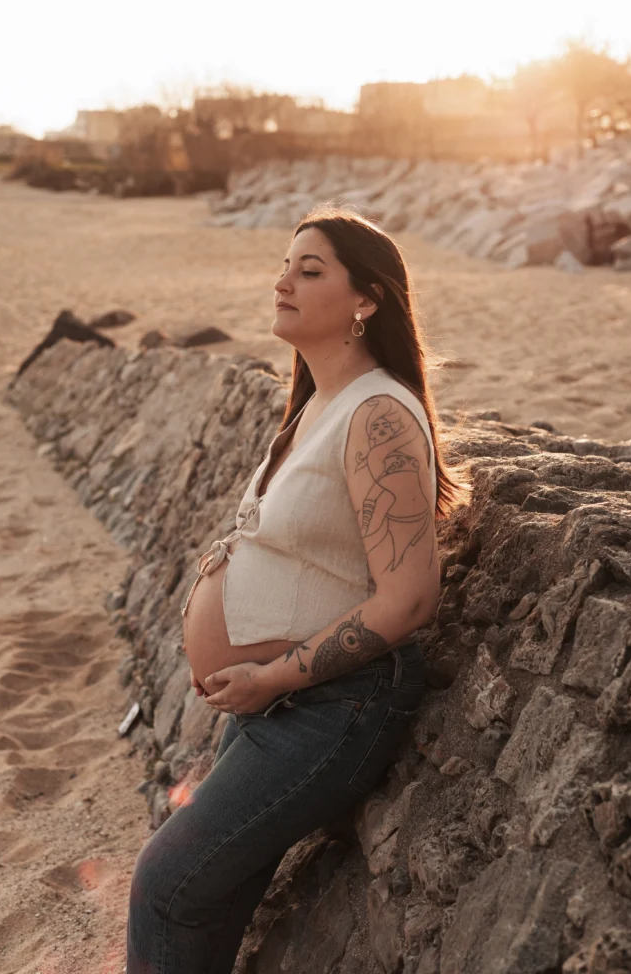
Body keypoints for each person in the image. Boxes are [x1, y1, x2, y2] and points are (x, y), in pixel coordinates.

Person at [126, 205, 470, 973]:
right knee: (206, 897)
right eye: (284, 265)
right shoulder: (317, 402)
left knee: (164, 881)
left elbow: (409, 597)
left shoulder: (378, 413)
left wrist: (272, 678)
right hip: (273, 700)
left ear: (367, 300)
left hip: (328, 705)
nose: (282, 281)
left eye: (309, 270)